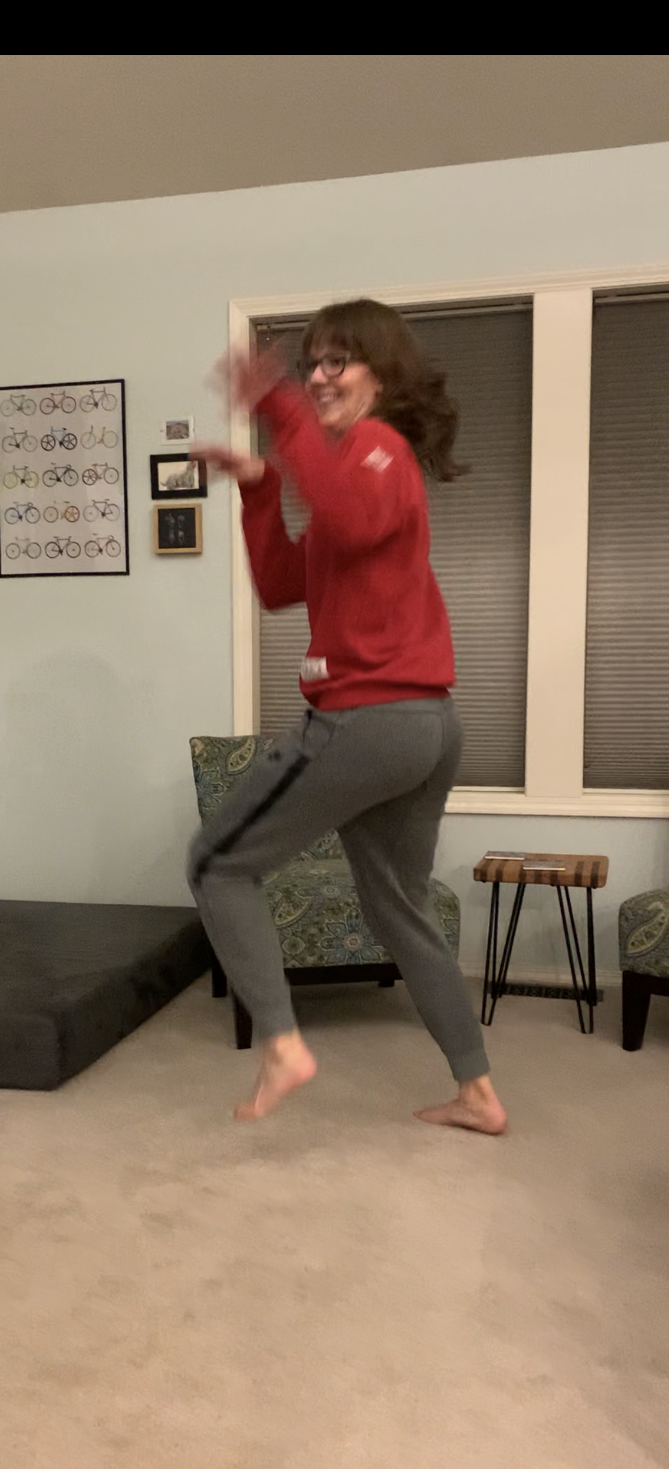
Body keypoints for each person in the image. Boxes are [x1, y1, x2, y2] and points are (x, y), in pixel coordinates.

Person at [189, 299, 507, 1136]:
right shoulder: (354, 477)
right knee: (399, 908)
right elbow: (281, 585)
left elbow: (349, 510)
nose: (319, 378)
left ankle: (282, 1044)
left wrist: (279, 406)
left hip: (369, 720)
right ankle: (478, 1092)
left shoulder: (377, 449)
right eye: (311, 364)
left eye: (339, 362)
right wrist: (260, 489)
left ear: (383, 376)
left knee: (216, 863)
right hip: (424, 725)